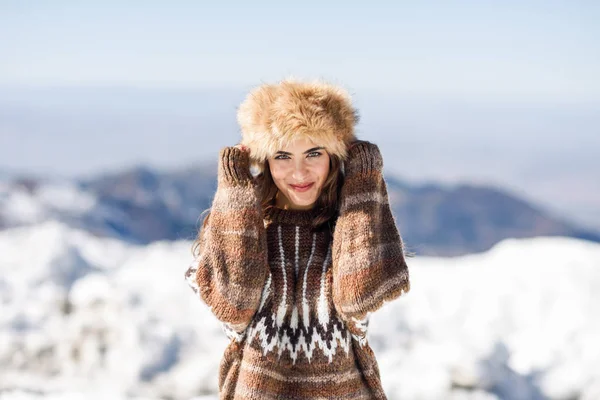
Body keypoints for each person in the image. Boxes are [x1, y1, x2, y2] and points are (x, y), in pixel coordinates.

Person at [185, 78, 411, 399]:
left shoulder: (348, 227)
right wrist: (235, 182)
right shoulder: (244, 227)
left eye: (313, 153)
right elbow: (235, 305)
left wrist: (363, 173)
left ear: (335, 156)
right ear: (263, 159)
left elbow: (358, 296)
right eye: (282, 156)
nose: (300, 173)